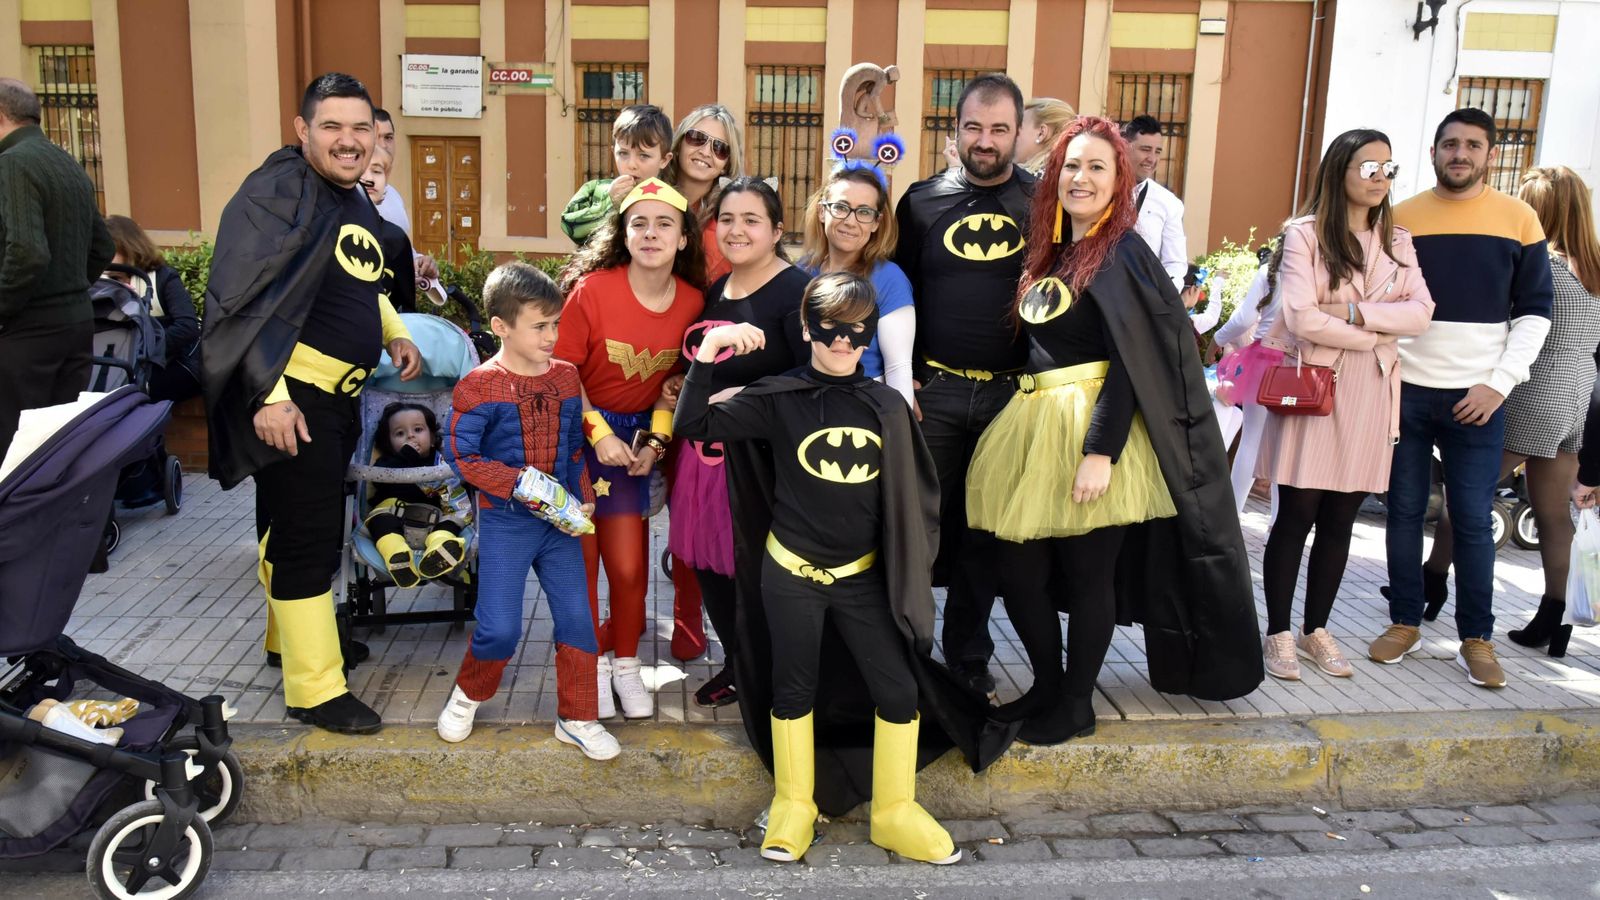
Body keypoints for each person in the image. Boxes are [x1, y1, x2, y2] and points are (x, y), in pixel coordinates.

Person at [675, 272, 1002, 860]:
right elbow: (692, 425)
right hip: (790, 575)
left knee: (899, 692)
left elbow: (913, 498)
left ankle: (895, 809)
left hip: (861, 577)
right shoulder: (777, 399)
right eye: (831, 331)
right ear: (807, 328)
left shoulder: (885, 406)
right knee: (793, 689)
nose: (845, 343)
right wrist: (709, 353)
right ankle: (795, 803)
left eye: (858, 332)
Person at [964, 115, 1262, 743]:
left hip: (1099, 434)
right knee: (1019, 572)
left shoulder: (1123, 252)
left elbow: (1135, 361)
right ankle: (1048, 685)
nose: (1081, 177)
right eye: (1071, 165)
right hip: (1036, 422)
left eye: (1097, 166)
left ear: (1119, 178)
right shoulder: (1051, 247)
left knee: (1088, 575)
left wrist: (1100, 451)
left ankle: (1077, 701)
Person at [201, 73, 422, 735]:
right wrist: (266, 394)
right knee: (307, 540)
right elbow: (240, 296)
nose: (349, 140)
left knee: (291, 527)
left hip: (331, 403)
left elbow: (358, 284)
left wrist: (395, 330)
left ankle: (291, 642)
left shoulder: (345, 200)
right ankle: (316, 690)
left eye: (363, 129)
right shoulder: (276, 193)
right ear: (303, 131)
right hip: (292, 398)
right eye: (333, 127)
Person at [1372, 108, 1554, 689]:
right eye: (1449, 144)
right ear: (1433, 153)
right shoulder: (1399, 217)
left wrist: (1498, 384)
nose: (1460, 154)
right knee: (1401, 513)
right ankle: (1405, 620)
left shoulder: (1519, 219)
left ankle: (1476, 638)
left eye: (1473, 145)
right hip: (1404, 391)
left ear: (1490, 155)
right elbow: (1381, 298)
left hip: (1480, 396)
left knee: (1472, 520)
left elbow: (1534, 313)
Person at [1253, 130, 1435, 682]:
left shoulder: (1399, 240)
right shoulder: (1305, 236)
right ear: (1340, 171)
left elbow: (1422, 314)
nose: (1380, 177)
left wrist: (1353, 314)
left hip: (1373, 393)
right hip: (1316, 388)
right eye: (1368, 166)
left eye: (1387, 167)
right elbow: (1303, 317)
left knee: (1340, 521)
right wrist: (1379, 328)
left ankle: (1317, 630)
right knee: (1296, 515)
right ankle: (1279, 632)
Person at [894, 73, 1035, 696]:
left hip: (1011, 396)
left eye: (999, 128)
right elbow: (898, 296)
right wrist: (905, 378)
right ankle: (905, 649)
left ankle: (968, 658)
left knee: (984, 535)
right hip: (938, 393)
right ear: (954, 129)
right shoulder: (921, 202)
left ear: (1020, 133)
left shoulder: (1043, 205)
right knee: (916, 526)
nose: (986, 140)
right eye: (974, 127)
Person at [438, 262, 614, 756]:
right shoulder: (477, 385)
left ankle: (577, 717)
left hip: (559, 525)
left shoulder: (565, 377)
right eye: (540, 326)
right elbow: (460, 453)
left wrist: (583, 492)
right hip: (506, 523)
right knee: (499, 627)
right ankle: (469, 693)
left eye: (555, 324)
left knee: (579, 623)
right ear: (501, 327)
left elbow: (575, 447)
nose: (552, 336)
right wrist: (515, 482)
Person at [554, 177, 705, 716]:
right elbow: (562, 370)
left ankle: (624, 665)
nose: (650, 233)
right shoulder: (592, 289)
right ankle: (589, 666)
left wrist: (657, 443)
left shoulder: (693, 303)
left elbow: (677, 384)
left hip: (635, 447)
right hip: (576, 439)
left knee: (628, 569)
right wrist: (599, 432)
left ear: (684, 238)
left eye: (664, 223)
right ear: (623, 232)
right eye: (638, 222)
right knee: (581, 566)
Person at [669, 178, 810, 708]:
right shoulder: (717, 289)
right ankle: (738, 662)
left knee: (754, 571)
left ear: (777, 231)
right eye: (727, 218)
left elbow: (810, 374)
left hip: (761, 462)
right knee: (711, 568)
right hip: (705, 461)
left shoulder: (796, 291)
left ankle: (767, 671)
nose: (736, 229)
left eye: (752, 220)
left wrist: (746, 394)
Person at [1460, 166, 1600, 658]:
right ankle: (1553, 618)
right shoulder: (1595, 268)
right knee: (1553, 513)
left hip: (1531, 392)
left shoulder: (1544, 267)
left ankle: (1429, 588)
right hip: (1576, 398)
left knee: (1468, 490)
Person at [0, 77, 115, 463]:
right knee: (60, 447)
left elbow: (29, 252)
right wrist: (68, 289)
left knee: (15, 454)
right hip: (76, 324)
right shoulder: (65, 162)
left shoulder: (12, 164)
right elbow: (104, 247)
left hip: (26, 334)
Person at [798, 162, 916, 405]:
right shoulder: (801, 271)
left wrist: (900, 427)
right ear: (822, 212)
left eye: (864, 212)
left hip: (864, 404)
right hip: (803, 403)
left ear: (876, 222)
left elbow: (898, 368)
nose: (850, 221)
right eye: (841, 207)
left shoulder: (889, 279)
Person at [1212, 236, 1287, 513]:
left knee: (1252, 438)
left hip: (1265, 358)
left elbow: (1243, 319)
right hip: (1299, 364)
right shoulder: (1316, 271)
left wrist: (1217, 340)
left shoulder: (1269, 272)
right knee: (1286, 447)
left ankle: (1230, 515)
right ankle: (1278, 522)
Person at [365, 400, 471, 587]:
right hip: (393, 515)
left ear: (432, 438)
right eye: (400, 433)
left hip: (434, 520)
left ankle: (440, 550)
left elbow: (454, 492)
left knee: (452, 522)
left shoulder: (440, 463)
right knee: (379, 520)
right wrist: (404, 457)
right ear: (388, 443)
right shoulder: (387, 462)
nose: (410, 436)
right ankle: (396, 556)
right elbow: (378, 478)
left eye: (418, 430)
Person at [103, 215, 201, 404]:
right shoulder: (102, 283)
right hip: (125, 365)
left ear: (129, 246)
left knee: (131, 394)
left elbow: (187, 327)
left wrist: (142, 348)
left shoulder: (163, 277)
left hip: (176, 361)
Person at [561, 104, 674, 244]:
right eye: (623, 153)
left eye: (644, 156)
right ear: (613, 152)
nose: (631, 164)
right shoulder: (595, 189)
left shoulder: (671, 199)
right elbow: (569, 227)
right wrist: (609, 203)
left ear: (664, 160)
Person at [663, 105, 747, 284]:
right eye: (697, 138)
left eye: (720, 148)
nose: (706, 152)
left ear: (727, 163)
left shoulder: (728, 219)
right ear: (679, 144)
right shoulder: (649, 196)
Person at [371, 107, 439, 284]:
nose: (383, 145)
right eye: (375, 137)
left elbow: (401, 250)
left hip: (398, 306)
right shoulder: (348, 197)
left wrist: (420, 261)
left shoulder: (393, 194)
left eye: (388, 137)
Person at [1122, 115, 1186, 292]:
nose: (1152, 158)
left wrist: (1159, 299)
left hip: (1142, 303)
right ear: (1125, 147)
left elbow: (1175, 264)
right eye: (1145, 149)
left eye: (1157, 151)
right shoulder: (1099, 190)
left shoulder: (1169, 203)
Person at [359, 147, 419, 313]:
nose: (369, 178)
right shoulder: (326, 231)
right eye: (361, 169)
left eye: (377, 171)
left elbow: (407, 307)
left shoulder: (396, 239)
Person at [1014, 97, 1075, 176]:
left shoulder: (1024, 181)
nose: (1011, 134)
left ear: (1041, 133)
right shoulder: (1065, 177)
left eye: (1019, 126)